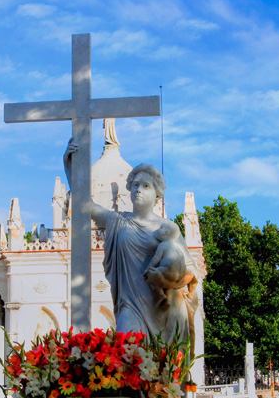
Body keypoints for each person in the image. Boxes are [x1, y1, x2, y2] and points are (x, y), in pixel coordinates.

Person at [64, 139, 197, 342]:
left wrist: (168, 278)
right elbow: (86, 205)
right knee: (125, 348)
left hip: (165, 309)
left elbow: (190, 272)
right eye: (135, 185)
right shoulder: (118, 221)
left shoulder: (168, 228)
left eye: (146, 186)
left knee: (163, 371)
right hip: (131, 305)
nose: (139, 190)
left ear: (157, 194)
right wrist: (71, 168)